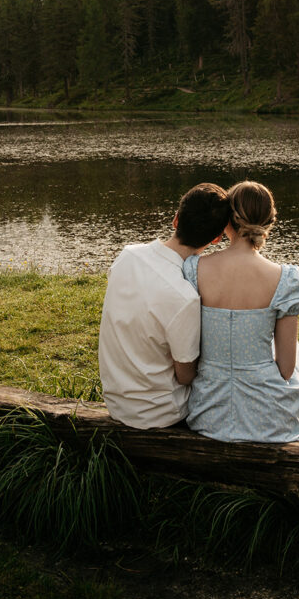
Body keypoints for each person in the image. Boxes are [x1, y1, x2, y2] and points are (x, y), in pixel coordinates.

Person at [182, 180, 299, 443]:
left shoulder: (194, 269)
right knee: (295, 351)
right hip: (267, 418)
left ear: (227, 221)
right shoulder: (284, 278)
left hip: (208, 412)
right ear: (268, 222)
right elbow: (287, 369)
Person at [98, 182, 230, 429]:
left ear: (175, 219)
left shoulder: (127, 255)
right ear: (216, 238)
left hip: (117, 402)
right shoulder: (184, 296)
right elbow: (185, 376)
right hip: (159, 414)